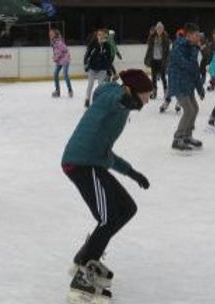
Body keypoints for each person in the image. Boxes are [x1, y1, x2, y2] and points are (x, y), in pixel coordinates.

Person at [62, 69, 152, 303]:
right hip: (80, 163)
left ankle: (84, 257)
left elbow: (105, 153)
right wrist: (122, 98)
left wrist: (132, 172)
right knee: (108, 217)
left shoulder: (122, 110)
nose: (148, 99)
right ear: (132, 91)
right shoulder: (113, 98)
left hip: (93, 162)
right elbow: (108, 98)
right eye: (146, 94)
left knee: (127, 208)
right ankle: (82, 276)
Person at [167, 23, 204, 152]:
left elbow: (195, 70)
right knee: (188, 110)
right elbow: (186, 65)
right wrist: (195, 51)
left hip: (188, 84)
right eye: (196, 35)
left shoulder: (192, 47)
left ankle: (187, 136)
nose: (198, 38)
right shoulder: (178, 47)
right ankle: (177, 139)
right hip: (178, 84)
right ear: (188, 35)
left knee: (195, 108)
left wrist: (200, 88)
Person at [83, 29, 112, 108]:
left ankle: (100, 100)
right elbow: (87, 55)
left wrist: (109, 69)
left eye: (102, 35)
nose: (101, 37)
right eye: (99, 35)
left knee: (101, 85)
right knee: (90, 84)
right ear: (97, 36)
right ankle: (87, 99)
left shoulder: (107, 46)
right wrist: (85, 64)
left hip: (102, 68)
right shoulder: (93, 44)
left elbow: (109, 59)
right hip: (92, 68)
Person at [144, 22, 170, 101]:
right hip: (154, 60)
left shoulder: (166, 38)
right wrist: (147, 58)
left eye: (161, 28)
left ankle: (166, 91)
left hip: (162, 60)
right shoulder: (152, 37)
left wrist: (167, 60)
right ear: (156, 29)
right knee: (154, 77)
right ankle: (154, 91)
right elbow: (149, 50)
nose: (159, 30)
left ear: (163, 29)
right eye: (158, 28)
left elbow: (168, 51)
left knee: (163, 77)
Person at [49, 28, 73, 98]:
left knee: (65, 74)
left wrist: (55, 57)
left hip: (65, 59)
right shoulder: (53, 42)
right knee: (55, 74)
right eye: (50, 33)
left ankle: (70, 90)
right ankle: (57, 91)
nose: (50, 34)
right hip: (59, 60)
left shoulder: (59, 41)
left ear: (55, 34)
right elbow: (56, 52)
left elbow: (62, 50)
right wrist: (55, 57)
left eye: (51, 33)